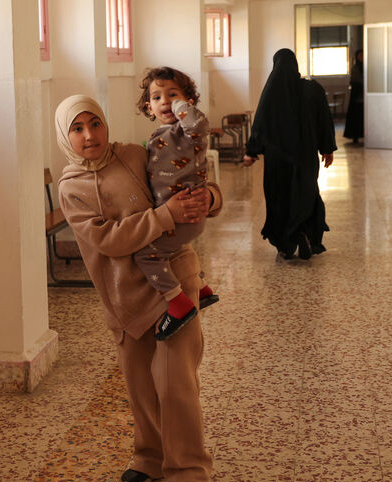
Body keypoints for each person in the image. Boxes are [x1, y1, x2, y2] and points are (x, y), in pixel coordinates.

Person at [55, 95, 219, 482]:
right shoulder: (71, 188)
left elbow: (183, 174)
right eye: (77, 128)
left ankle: (188, 469)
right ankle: (150, 457)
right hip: (124, 297)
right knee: (141, 387)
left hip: (175, 287)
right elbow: (108, 239)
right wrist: (166, 216)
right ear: (65, 135)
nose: (89, 134)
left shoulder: (133, 154)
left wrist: (210, 198)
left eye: (95, 123)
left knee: (175, 385)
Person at [133, 66, 219, 341]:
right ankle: (202, 289)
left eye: (173, 95)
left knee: (147, 254)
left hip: (186, 212)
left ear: (188, 101)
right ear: (149, 107)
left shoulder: (187, 132)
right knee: (172, 252)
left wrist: (183, 107)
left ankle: (177, 303)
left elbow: (199, 124)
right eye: (157, 98)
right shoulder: (160, 135)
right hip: (174, 215)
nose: (166, 102)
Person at [242, 48, 337, 260]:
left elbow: (260, 124)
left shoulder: (271, 92)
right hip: (305, 156)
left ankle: (286, 244)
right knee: (306, 193)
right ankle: (304, 232)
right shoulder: (313, 89)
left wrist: (251, 151)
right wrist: (327, 148)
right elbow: (324, 121)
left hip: (278, 160)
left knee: (279, 198)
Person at [343, 49, 364, 144]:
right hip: (356, 95)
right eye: (359, 56)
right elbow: (354, 81)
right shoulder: (355, 68)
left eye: (362, 55)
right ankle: (355, 136)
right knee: (356, 116)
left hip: (365, 95)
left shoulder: (367, 67)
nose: (361, 57)